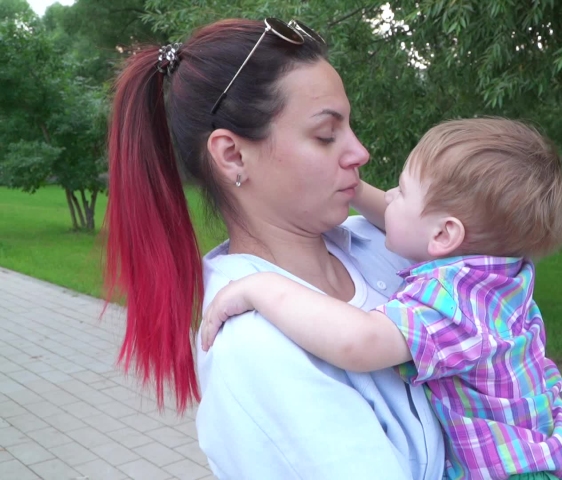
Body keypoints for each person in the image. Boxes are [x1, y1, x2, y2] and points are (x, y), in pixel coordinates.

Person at [103, 18, 449, 479]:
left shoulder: (380, 245)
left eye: (350, 127)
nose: (360, 152)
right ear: (232, 155)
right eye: (327, 135)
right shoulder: (255, 352)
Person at [201, 118, 562, 480]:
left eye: (402, 191)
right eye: (325, 136)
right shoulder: (497, 272)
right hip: (543, 453)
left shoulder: (450, 302)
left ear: (444, 236)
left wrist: (263, 287)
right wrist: (347, 188)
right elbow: (413, 221)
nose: (388, 196)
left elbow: (359, 342)